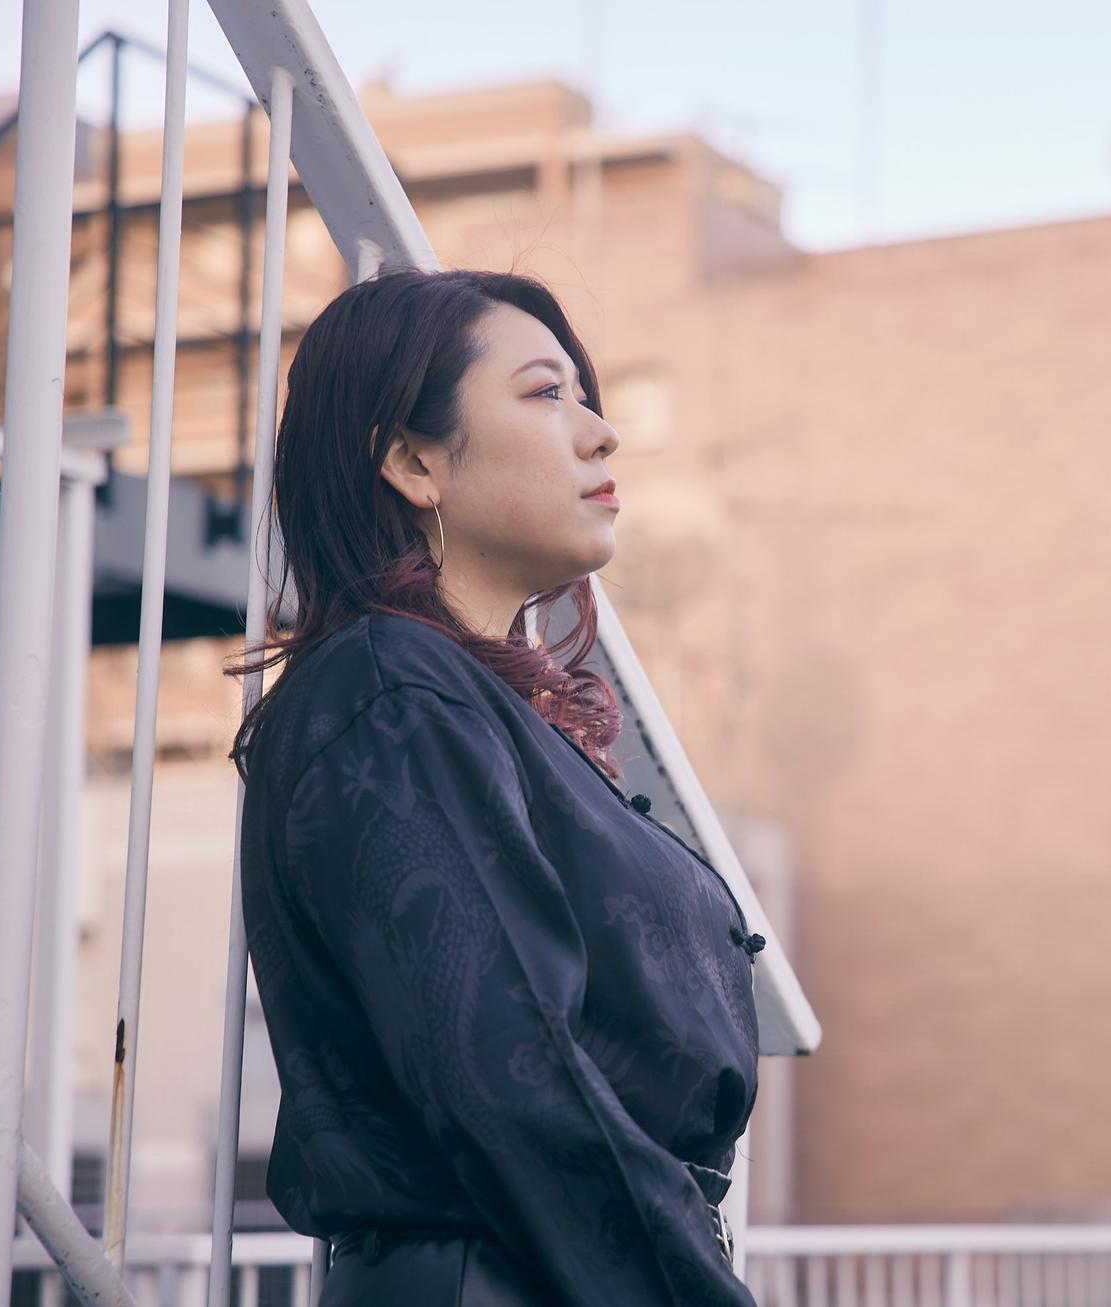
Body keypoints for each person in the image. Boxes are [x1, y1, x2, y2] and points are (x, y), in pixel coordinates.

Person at [228, 267, 765, 1305]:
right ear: (411, 461)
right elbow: (511, 1074)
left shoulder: (452, 698)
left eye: (587, 396)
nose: (602, 433)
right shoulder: (393, 689)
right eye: (546, 393)